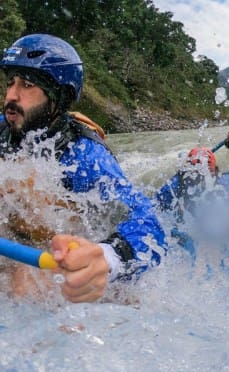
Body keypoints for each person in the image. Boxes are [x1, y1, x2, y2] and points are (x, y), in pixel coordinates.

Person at [0, 34, 166, 303]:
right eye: (10, 83)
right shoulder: (4, 129)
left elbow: (148, 221)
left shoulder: (84, 156)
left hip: (66, 249)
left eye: (27, 85)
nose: (11, 96)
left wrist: (107, 258)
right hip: (15, 235)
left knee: (25, 283)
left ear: (59, 97)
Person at [156, 146, 220, 215]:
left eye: (210, 174)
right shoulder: (172, 188)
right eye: (202, 176)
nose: (206, 180)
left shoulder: (216, 181)